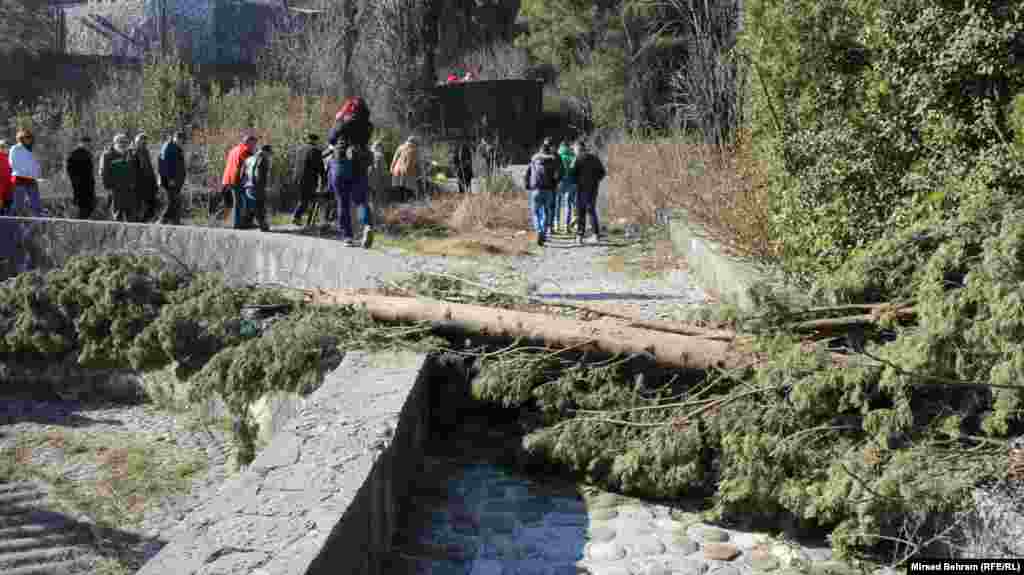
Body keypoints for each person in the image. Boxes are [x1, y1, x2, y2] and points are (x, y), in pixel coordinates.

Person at [328, 145, 375, 248]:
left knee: (343, 203)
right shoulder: (364, 137)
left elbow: (332, 138)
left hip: (342, 170)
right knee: (361, 203)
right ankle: (366, 226)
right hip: (360, 173)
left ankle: (348, 237)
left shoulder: (340, 140)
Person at [523, 138, 561, 246]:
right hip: (548, 190)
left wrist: (527, 185)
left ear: (540, 150)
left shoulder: (534, 158)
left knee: (535, 212)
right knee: (547, 212)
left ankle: (539, 230)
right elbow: (557, 175)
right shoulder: (553, 159)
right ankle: (544, 231)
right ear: (549, 150)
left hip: (536, 190)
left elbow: (527, 173)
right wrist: (555, 184)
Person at [570, 140, 606, 244]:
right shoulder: (594, 158)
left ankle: (580, 236)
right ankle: (596, 235)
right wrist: (595, 180)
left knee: (581, 212)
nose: (574, 151)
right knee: (591, 210)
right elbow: (602, 173)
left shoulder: (577, 158)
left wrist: (576, 182)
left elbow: (572, 174)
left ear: (578, 148)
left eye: (574, 149)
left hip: (581, 188)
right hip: (593, 188)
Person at [217, 133, 258, 220]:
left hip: (226, 179)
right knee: (240, 203)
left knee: (228, 204)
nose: (254, 147)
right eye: (254, 144)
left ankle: (217, 222)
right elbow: (248, 167)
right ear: (248, 142)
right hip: (236, 180)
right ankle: (238, 224)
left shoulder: (233, 150)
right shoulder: (246, 151)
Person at [291, 133, 326, 227]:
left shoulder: (300, 149)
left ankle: (302, 219)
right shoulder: (315, 151)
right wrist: (324, 180)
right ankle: (297, 217)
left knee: (304, 199)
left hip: (297, 177)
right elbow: (320, 167)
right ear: (316, 141)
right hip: (308, 179)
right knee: (306, 200)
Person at [100, 134, 137, 222]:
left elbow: (133, 170)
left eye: (125, 143)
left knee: (131, 215)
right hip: (115, 190)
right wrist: (108, 187)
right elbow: (104, 173)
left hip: (128, 190)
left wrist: (133, 183)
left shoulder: (129, 155)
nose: (123, 145)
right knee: (117, 215)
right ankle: (117, 234)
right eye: (121, 142)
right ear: (115, 143)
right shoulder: (108, 155)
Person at [9, 129, 43, 217]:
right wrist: (26, 172)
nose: (29, 139)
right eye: (27, 137)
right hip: (19, 179)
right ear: (21, 138)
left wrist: (36, 173)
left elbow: (36, 164)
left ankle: (39, 225)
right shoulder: (15, 148)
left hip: (31, 180)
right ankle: (9, 225)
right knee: (17, 205)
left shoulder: (33, 150)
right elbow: (12, 163)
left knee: (36, 205)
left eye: (30, 137)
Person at [237, 144, 273, 231]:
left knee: (251, 206)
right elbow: (259, 173)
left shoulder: (249, 158)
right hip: (257, 186)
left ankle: (244, 224)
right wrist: (262, 186)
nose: (270, 156)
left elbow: (242, 173)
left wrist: (244, 183)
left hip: (247, 186)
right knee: (260, 206)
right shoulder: (263, 158)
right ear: (265, 152)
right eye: (269, 153)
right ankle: (263, 226)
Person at [158, 130, 187, 225]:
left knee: (176, 202)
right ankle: (162, 221)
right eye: (179, 139)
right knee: (172, 202)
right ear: (174, 138)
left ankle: (175, 222)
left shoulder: (177, 147)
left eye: (182, 140)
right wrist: (169, 179)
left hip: (176, 181)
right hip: (169, 180)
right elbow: (164, 164)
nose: (180, 141)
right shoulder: (169, 147)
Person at [65, 135, 96, 219]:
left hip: (88, 187)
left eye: (89, 144)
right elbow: (70, 169)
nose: (88, 145)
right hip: (80, 187)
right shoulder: (75, 153)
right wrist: (76, 182)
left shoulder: (88, 153)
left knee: (89, 208)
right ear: (81, 143)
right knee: (83, 209)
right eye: (86, 143)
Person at [132, 133, 159, 222]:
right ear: (137, 142)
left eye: (145, 141)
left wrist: (154, 183)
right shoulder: (132, 152)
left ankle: (143, 222)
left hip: (149, 183)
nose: (144, 143)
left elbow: (149, 168)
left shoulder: (145, 152)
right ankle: (139, 223)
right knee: (139, 208)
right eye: (142, 141)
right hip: (138, 185)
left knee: (152, 207)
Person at [555, 140, 577, 234]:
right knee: (569, 204)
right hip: (572, 183)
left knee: (558, 203)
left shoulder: (558, 156)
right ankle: (567, 227)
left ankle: (556, 225)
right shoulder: (573, 156)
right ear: (569, 146)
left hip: (560, 182)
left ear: (561, 147)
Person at [0, 140, 12, 216]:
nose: (4, 148)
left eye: (6, 147)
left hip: (8, 188)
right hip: (1, 188)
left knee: (7, 210)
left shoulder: (10, 158)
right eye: (2, 147)